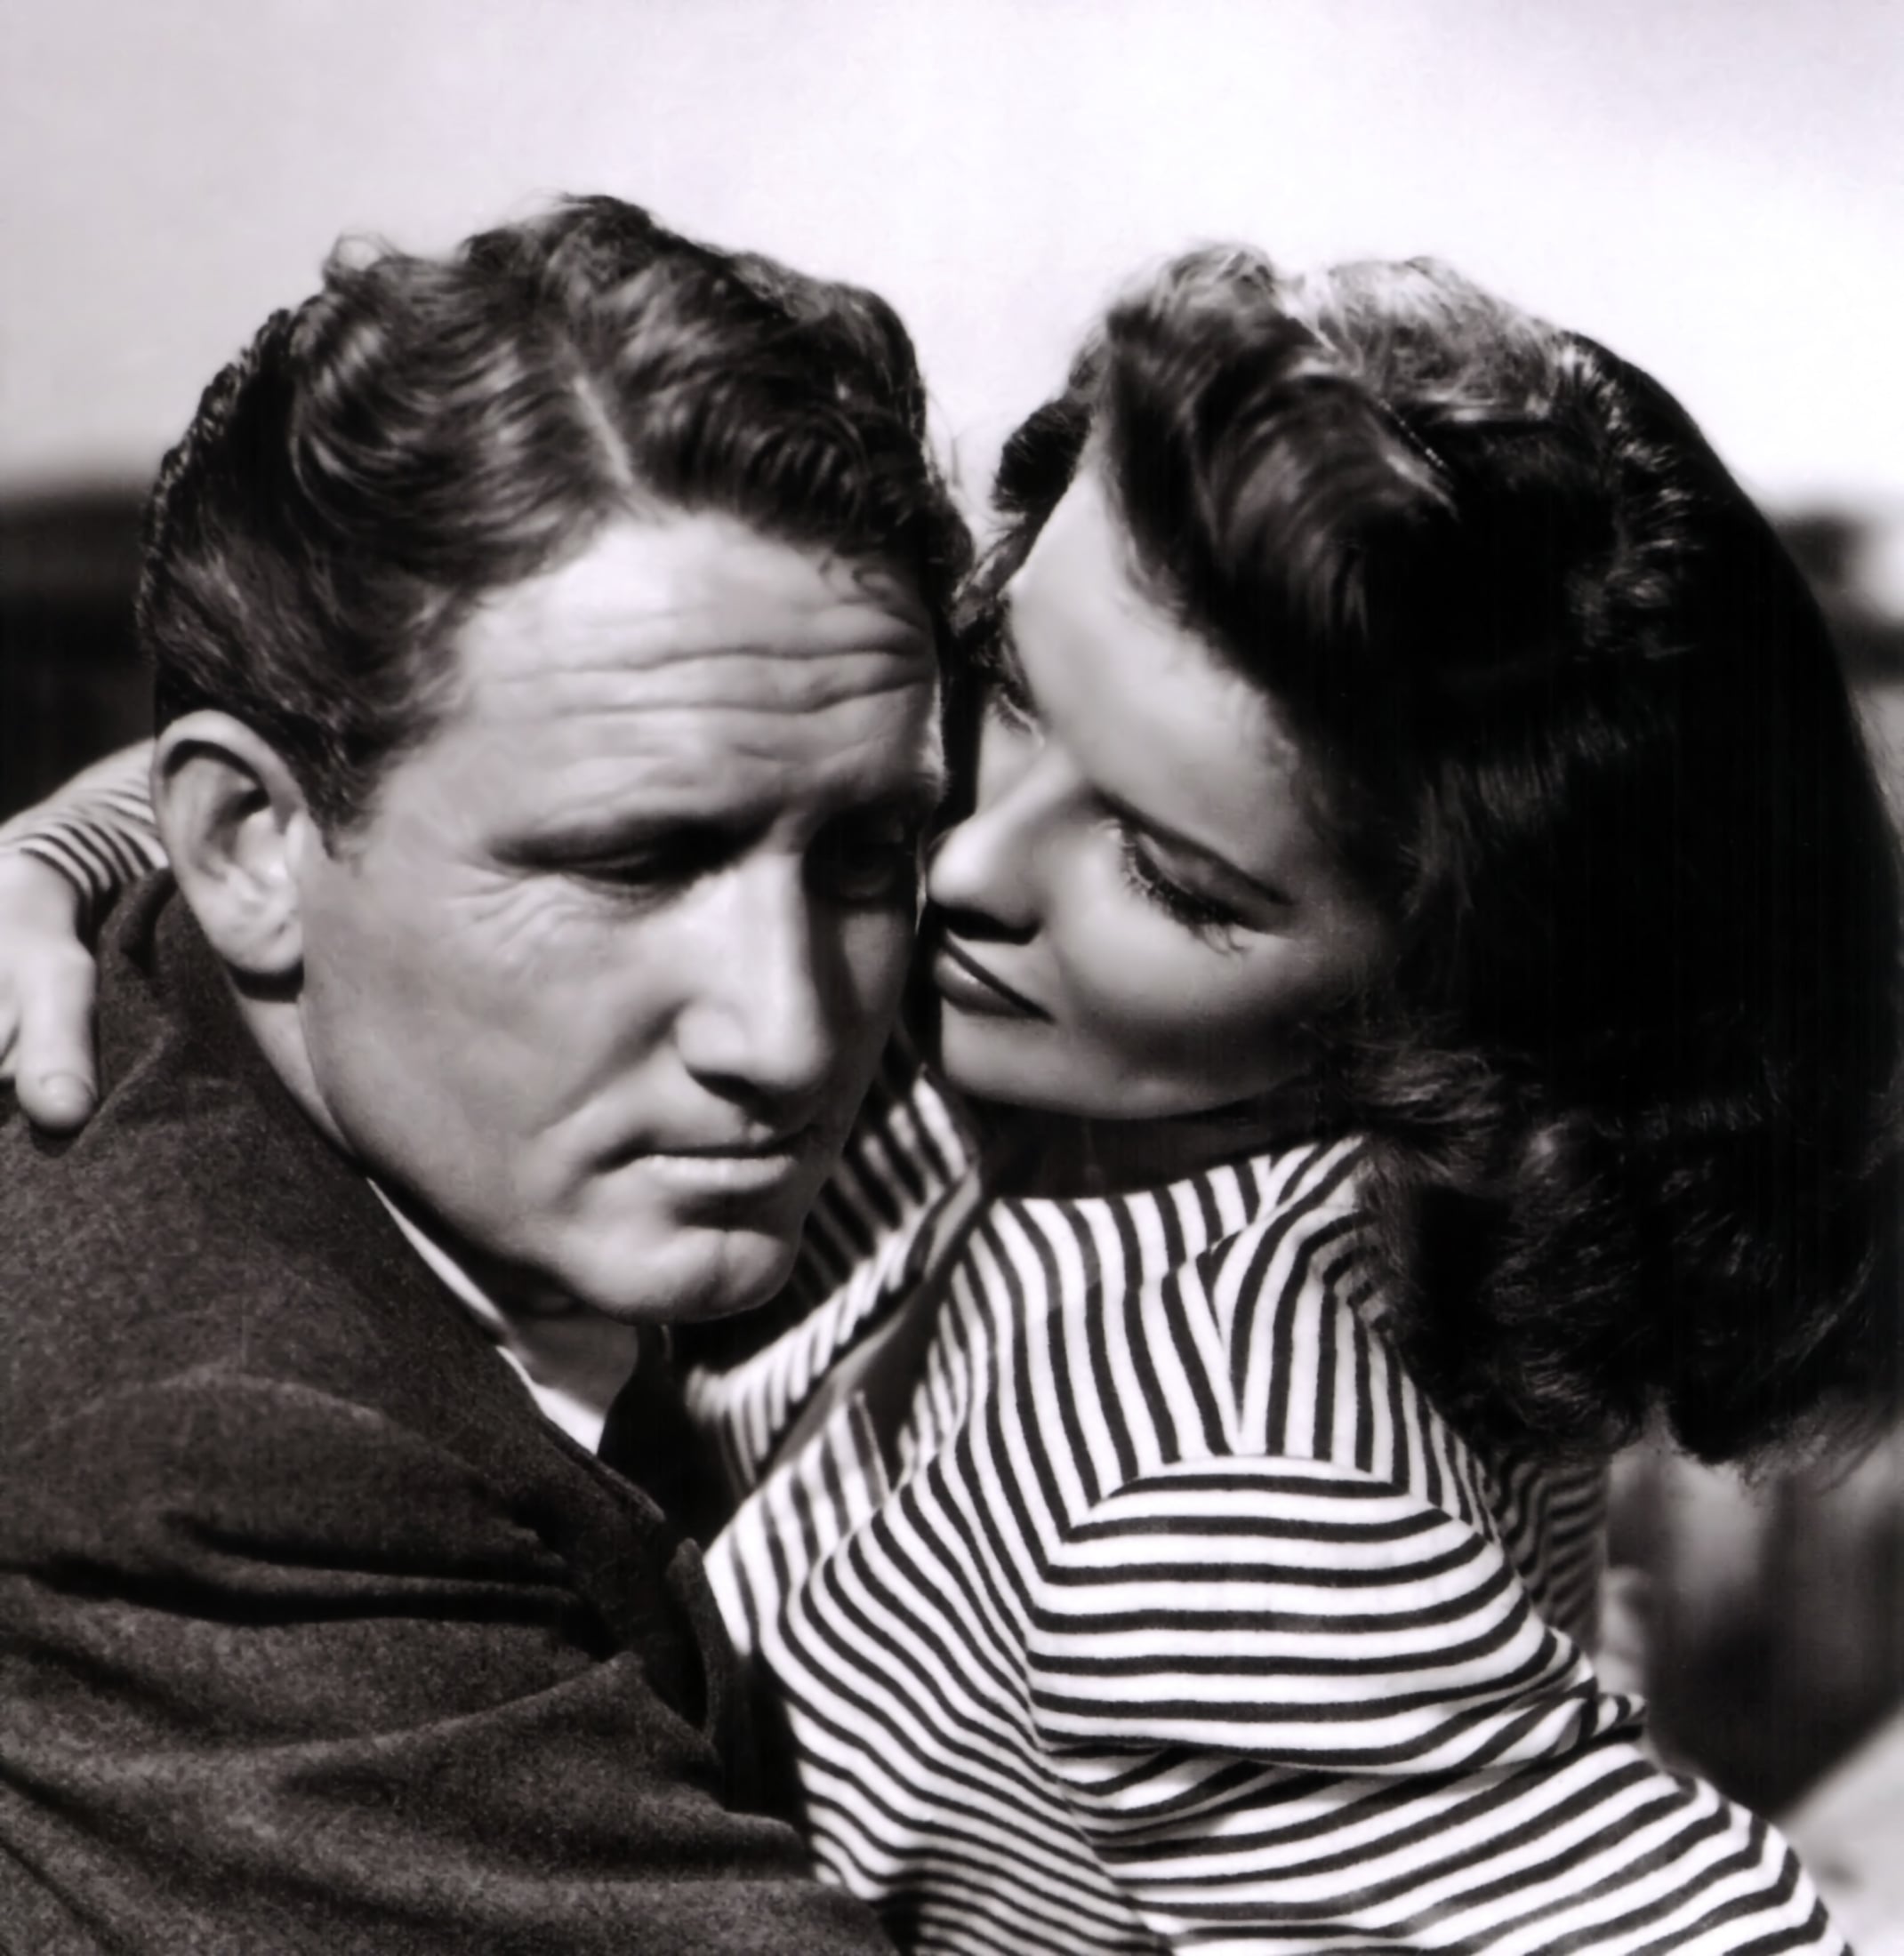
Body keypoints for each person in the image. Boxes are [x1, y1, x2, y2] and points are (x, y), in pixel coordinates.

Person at [4, 248, 1894, 1953]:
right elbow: (508, 725)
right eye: (1008, 687)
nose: (953, 878)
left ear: (1434, 989)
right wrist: (73, 849)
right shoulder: (1014, 1010)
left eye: (1170, 873)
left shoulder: (1232, 1482)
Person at [0, 192, 971, 1952]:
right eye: (633, 864)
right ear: (246, 844)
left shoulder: (402, 997)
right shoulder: (217, 1454)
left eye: (866, 851)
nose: (788, 1035)